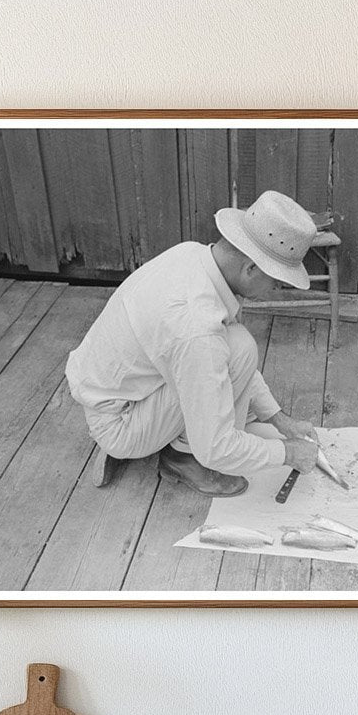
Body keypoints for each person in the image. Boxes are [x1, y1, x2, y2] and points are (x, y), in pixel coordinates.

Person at [65, 190, 322, 497]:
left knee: (237, 345)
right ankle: (182, 457)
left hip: (116, 391)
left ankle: (172, 440)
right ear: (251, 269)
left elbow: (218, 355)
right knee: (238, 352)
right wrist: (288, 453)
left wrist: (281, 421)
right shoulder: (196, 327)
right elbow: (216, 447)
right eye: (277, 281)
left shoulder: (193, 255)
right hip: (120, 421)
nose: (276, 289)